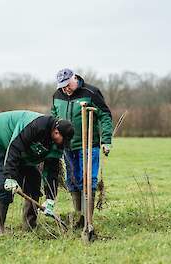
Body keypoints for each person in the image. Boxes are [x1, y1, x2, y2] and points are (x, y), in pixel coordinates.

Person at [0, 110, 74, 235]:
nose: (63, 144)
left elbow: (52, 171)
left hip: (15, 148)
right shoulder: (37, 126)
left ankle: (30, 226)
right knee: (3, 183)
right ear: (56, 132)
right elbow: (15, 147)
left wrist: (50, 199)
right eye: (63, 140)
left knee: (33, 181)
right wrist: (10, 177)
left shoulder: (57, 143)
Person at [51, 68, 113, 227]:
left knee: (88, 180)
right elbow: (53, 118)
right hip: (67, 146)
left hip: (88, 145)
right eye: (62, 86)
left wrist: (106, 140)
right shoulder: (57, 95)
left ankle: (88, 220)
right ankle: (79, 217)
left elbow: (105, 115)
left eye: (67, 85)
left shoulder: (91, 92)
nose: (65, 89)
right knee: (72, 180)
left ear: (74, 79)